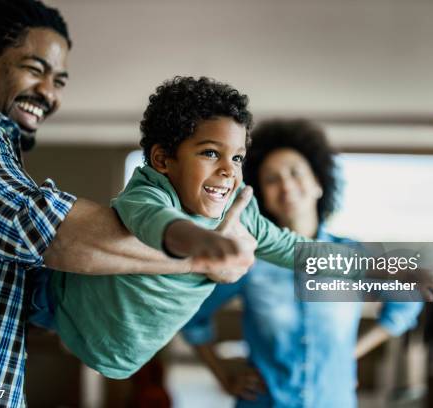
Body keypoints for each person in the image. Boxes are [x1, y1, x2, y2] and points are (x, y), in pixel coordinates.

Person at [0, 2, 254, 406]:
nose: (49, 93)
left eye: (59, 81)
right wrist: (203, 255)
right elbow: (34, 228)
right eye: (35, 69)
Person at [35, 76, 312, 380]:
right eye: (210, 152)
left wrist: (363, 265)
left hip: (115, 354)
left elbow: (289, 247)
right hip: (57, 304)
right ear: (163, 160)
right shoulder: (150, 191)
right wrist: (199, 241)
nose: (228, 169)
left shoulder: (239, 210)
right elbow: (158, 222)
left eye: (237, 158)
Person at [182, 119, 426, 408]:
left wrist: (347, 355)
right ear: (263, 197)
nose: (285, 185)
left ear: (319, 183)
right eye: (271, 179)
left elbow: (407, 300)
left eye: (295, 173)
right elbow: (193, 315)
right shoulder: (248, 257)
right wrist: (224, 375)